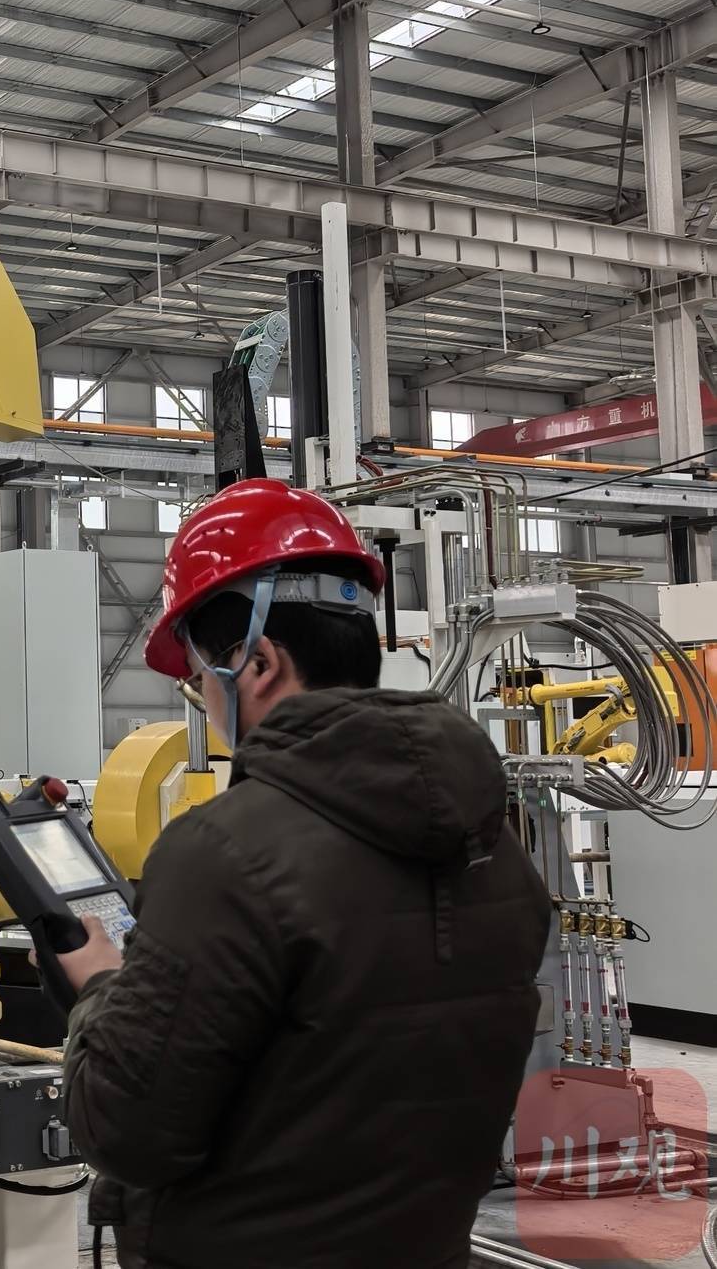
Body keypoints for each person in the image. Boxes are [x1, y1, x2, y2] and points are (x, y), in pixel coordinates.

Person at [55, 479, 552, 1269]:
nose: (202, 703)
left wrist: (100, 989)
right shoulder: (498, 849)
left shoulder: (221, 854)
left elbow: (125, 1131)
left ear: (257, 663)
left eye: (197, 679)